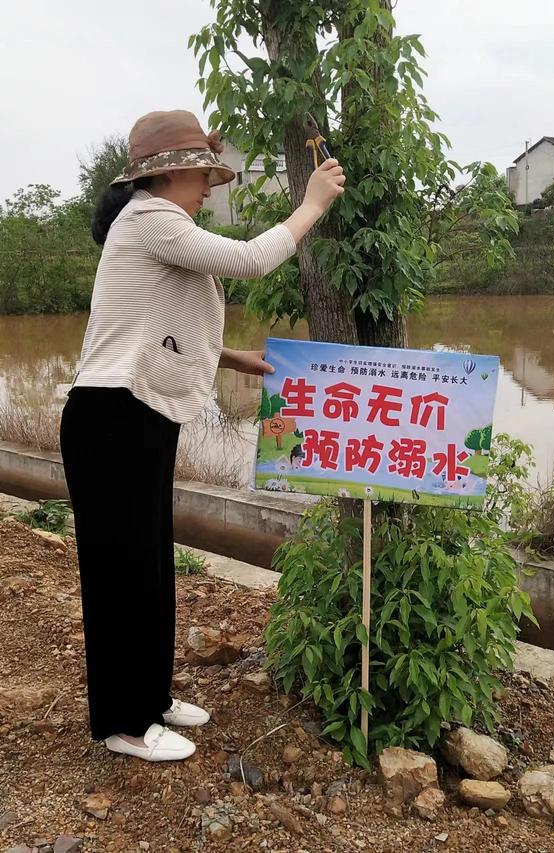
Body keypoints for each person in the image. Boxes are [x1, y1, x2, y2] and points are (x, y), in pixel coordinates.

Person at [59, 109, 345, 762]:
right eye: (204, 176)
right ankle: (123, 724)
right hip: (112, 419)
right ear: (173, 173)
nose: (210, 188)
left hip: (138, 414)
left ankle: (151, 697)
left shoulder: (158, 226)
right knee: (120, 574)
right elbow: (250, 259)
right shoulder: (151, 219)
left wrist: (231, 357)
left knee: (152, 562)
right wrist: (311, 203)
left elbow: (151, 325)